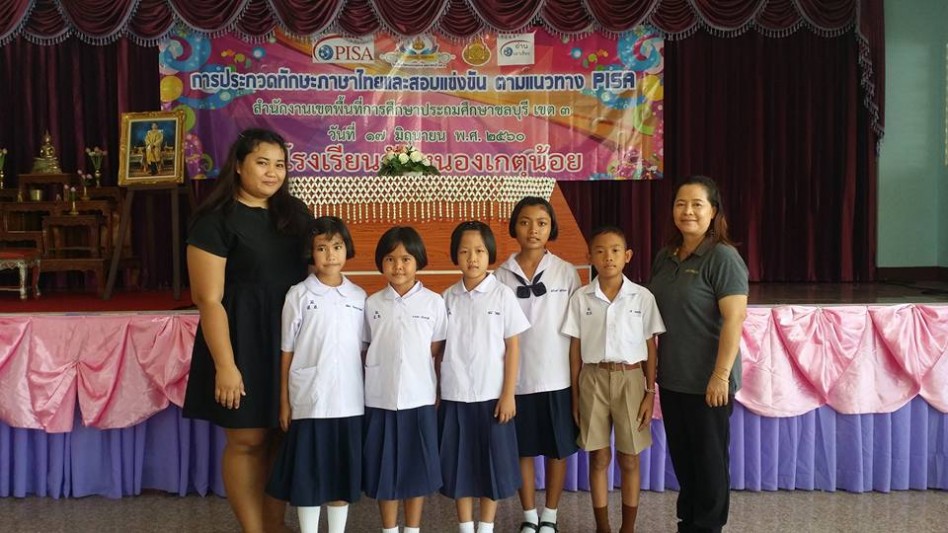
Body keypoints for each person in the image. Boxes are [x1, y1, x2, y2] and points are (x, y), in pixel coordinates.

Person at [183, 128, 313, 533]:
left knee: (281, 436)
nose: (273, 172)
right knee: (248, 440)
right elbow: (208, 299)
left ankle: (275, 525)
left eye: (280, 164)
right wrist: (226, 366)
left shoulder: (296, 215)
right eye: (262, 162)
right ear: (238, 166)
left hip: (289, 342)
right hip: (240, 341)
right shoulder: (215, 221)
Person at [648, 176, 749, 533]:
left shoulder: (723, 257)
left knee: (708, 464)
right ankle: (688, 524)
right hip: (674, 379)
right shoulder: (665, 257)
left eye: (696, 204)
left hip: (709, 383)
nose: (687, 211)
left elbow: (734, 319)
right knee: (685, 462)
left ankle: (707, 527)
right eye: (681, 204)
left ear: (713, 211)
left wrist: (720, 376)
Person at [266, 216, 366, 533]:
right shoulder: (298, 295)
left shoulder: (359, 297)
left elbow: (364, 351)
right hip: (310, 401)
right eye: (321, 248)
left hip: (349, 401)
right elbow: (287, 350)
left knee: (340, 475)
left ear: (346, 249)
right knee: (308, 476)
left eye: (336, 246)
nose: (330, 254)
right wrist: (285, 401)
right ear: (311, 253)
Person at [562, 226, 665, 533]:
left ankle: (627, 528)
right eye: (600, 251)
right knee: (598, 457)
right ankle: (603, 527)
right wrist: (575, 396)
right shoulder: (581, 298)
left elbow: (650, 348)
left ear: (627, 256)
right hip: (592, 380)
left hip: (630, 380)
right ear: (589, 257)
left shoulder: (642, 297)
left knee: (629, 458)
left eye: (615, 250)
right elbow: (575, 349)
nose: (608, 257)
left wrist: (649, 392)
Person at [494, 197, 581, 533]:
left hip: (557, 378)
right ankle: (529, 516)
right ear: (514, 227)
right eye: (525, 222)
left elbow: (576, 332)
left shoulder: (566, 271)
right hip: (516, 380)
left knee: (557, 451)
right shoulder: (501, 275)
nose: (533, 230)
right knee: (523, 450)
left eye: (542, 223)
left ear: (551, 228)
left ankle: (550, 516)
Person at [440, 221, 530, 533]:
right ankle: (466, 527)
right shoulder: (446, 298)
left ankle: (486, 526)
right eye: (465, 251)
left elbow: (513, 347)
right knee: (460, 466)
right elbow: (437, 349)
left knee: (493, 466)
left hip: (493, 397)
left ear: (489, 254)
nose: (472, 258)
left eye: (479, 251)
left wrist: (508, 394)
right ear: (455, 255)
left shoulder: (502, 295)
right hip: (455, 395)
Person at [362, 226, 446, 533]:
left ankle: (412, 528)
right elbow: (365, 347)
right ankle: (389, 529)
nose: (398, 266)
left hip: (419, 397)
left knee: (416, 469)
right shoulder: (371, 304)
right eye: (390, 259)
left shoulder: (434, 303)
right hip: (380, 398)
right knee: (384, 471)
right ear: (381, 263)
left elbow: (436, 350)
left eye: (406, 259)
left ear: (418, 261)